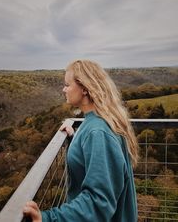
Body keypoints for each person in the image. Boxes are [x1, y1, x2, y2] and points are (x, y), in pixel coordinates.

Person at [23, 59, 139, 222]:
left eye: (67, 84)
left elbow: (97, 203)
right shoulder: (95, 122)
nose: (64, 89)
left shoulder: (97, 132)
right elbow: (93, 158)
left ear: (84, 88)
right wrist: (74, 138)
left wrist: (47, 218)